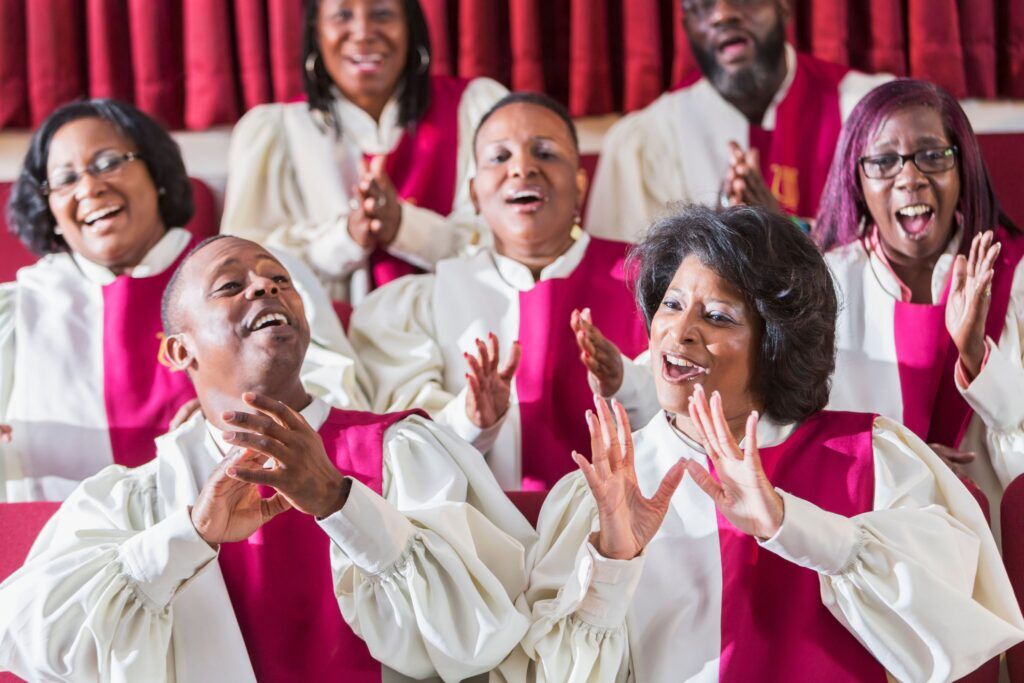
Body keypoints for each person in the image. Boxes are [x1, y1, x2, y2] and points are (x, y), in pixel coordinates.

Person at [516, 205, 1023, 682]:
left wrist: (789, 524)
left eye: (717, 316)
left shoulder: (870, 455)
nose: (681, 329)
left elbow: (952, 626)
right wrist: (611, 561)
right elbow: (556, 671)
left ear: (776, 344)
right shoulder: (608, 487)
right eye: (671, 304)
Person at [0, 235, 537, 683]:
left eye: (279, 280)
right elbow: (31, 636)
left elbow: (486, 633)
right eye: (231, 285)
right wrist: (186, 537)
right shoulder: (138, 499)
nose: (265, 287)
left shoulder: (404, 449)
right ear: (178, 351)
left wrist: (341, 503)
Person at [0, 99, 366, 503]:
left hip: (247, 524)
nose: (90, 188)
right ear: (49, 207)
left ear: (155, 171)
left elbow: (339, 397)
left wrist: (243, 408)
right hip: (77, 546)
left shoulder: (256, 276)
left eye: (107, 163)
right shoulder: (18, 312)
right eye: (65, 179)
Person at [349, 93, 656, 491]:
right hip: (481, 546)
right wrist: (473, 419)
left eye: (545, 153)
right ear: (475, 193)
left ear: (580, 184)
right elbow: (403, 457)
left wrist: (624, 383)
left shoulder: (648, 281)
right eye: (499, 157)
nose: (523, 168)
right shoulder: (427, 301)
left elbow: (689, 421)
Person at [817, 79, 1024, 529]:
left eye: (933, 155)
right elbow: (799, 440)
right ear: (856, 177)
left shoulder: (1016, 273)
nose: (910, 177)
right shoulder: (823, 286)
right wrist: (899, 466)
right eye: (884, 161)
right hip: (879, 541)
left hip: (998, 540)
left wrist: (977, 357)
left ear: (962, 167)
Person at [222, 0, 508, 303]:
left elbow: (515, 243)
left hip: (467, 329)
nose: (362, 33)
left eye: (382, 14)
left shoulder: (476, 109)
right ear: (316, 32)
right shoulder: (278, 131)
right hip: (327, 343)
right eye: (342, 15)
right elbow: (244, 273)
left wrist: (406, 227)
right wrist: (345, 237)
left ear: (411, 27)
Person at [586, 0, 890, 241]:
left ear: (784, 6)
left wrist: (785, 230)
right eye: (702, 4)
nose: (722, 14)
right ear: (687, 27)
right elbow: (630, 289)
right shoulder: (648, 140)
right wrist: (715, 243)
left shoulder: (870, 111)